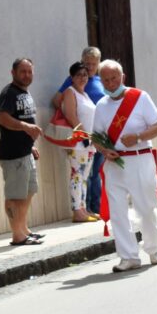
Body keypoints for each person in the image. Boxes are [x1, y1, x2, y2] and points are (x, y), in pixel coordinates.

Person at [92, 59, 157, 272]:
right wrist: (104, 150)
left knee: (145, 207)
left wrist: (139, 137)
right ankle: (128, 256)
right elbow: (96, 137)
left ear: (122, 77)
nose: (111, 83)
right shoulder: (101, 106)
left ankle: (153, 249)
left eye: (114, 78)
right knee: (118, 212)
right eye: (106, 80)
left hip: (140, 158)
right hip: (114, 164)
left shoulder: (140, 98)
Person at [53, 47, 105, 215]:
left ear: (98, 64)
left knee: (94, 172)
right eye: (87, 63)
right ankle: (83, 208)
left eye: (93, 64)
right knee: (81, 174)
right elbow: (57, 101)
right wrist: (72, 122)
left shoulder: (100, 81)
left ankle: (93, 208)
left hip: (98, 136)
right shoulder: (72, 82)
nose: (89, 68)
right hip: (81, 137)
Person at [0, 58, 43, 246]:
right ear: (13, 73)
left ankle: (23, 229)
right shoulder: (9, 93)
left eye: (30, 72)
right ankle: (18, 235)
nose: (27, 75)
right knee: (15, 196)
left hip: (25, 151)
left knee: (28, 191)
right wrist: (25, 127)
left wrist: (30, 145)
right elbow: (2, 118)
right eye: (23, 71)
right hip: (13, 154)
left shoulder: (24, 92)